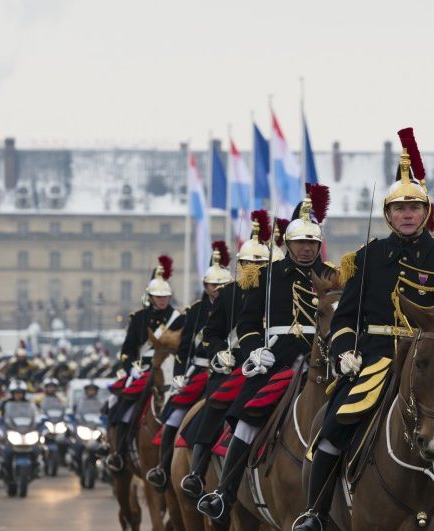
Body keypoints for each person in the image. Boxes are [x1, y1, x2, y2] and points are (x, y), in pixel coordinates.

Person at [294, 128, 434, 531]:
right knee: (334, 424)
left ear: (425, 213)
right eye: (399, 208)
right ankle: (316, 513)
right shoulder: (366, 258)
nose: (407, 215)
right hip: (377, 359)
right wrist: (344, 350)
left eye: (414, 208)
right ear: (389, 215)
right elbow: (344, 320)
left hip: (431, 361)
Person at [197, 185, 338, 523]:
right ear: (288, 244)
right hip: (278, 360)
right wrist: (254, 349)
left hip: (324, 359)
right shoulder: (266, 276)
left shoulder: (334, 276)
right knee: (248, 416)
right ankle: (225, 492)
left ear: (318, 245)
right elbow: (246, 323)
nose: (305, 249)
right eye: (300, 243)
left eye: (311, 244)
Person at [178, 217, 274, 499]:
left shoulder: (278, 290)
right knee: (216, 404)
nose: (254, 270)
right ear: (240, 266)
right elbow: (213, 332)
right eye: (249, 265)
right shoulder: (230, 294)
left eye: (261, 265)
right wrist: (219, 351)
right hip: (233, 366)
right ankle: (197, 471)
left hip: (271, 362)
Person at [145, 240, 232, 490]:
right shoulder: (194, 312)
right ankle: (163, 468)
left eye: (221, 284)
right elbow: (183, 350)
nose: (216, 289)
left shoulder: (237, 305)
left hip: (227, 371)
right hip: (199, 371)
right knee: (175, 417)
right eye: (212, 284)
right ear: (205, 285)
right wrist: (180, 375)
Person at [106, 255, 186, 472]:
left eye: (165, 297)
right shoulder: (139, 318)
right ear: (150, 297)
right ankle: (118, 452)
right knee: (121, 407)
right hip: (142, 371)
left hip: (168, 372)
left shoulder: (179, 319)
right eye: (158, 297)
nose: (162, 301)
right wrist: (131, 367)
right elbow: (127, 351)